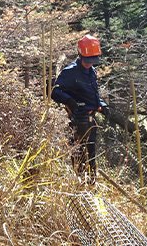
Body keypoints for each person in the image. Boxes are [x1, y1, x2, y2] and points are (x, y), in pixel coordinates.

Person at [51, 34, 109, 183]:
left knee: (92, 153)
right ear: (81, 55)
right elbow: (55, 92)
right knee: (79, 154)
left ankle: (92, 184)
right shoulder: (70, 72)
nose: (90, 64)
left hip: (90, 119)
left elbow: (92, 95)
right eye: (87, 60)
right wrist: (70, 101)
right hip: (77, 120)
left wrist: (102, 105)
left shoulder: (92, 72)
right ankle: (79, 186)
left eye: (92, 61)